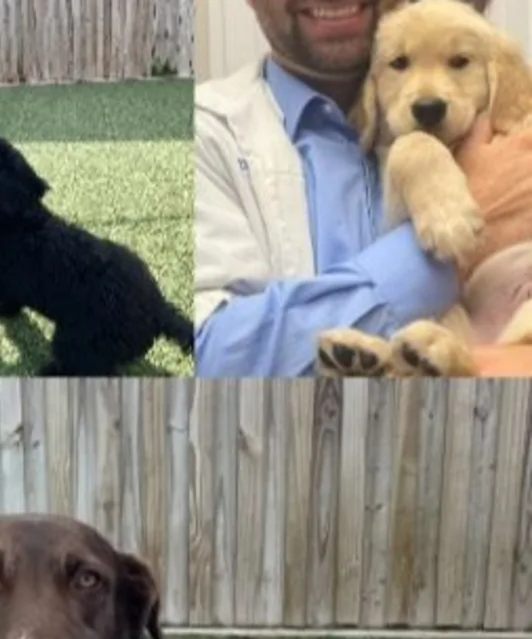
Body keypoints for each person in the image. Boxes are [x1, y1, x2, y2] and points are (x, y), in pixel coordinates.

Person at [192, 0, 512, 377]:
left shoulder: (493, 94)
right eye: (400, 64)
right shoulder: (199, 132)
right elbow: (207, 351)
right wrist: (441, 257)